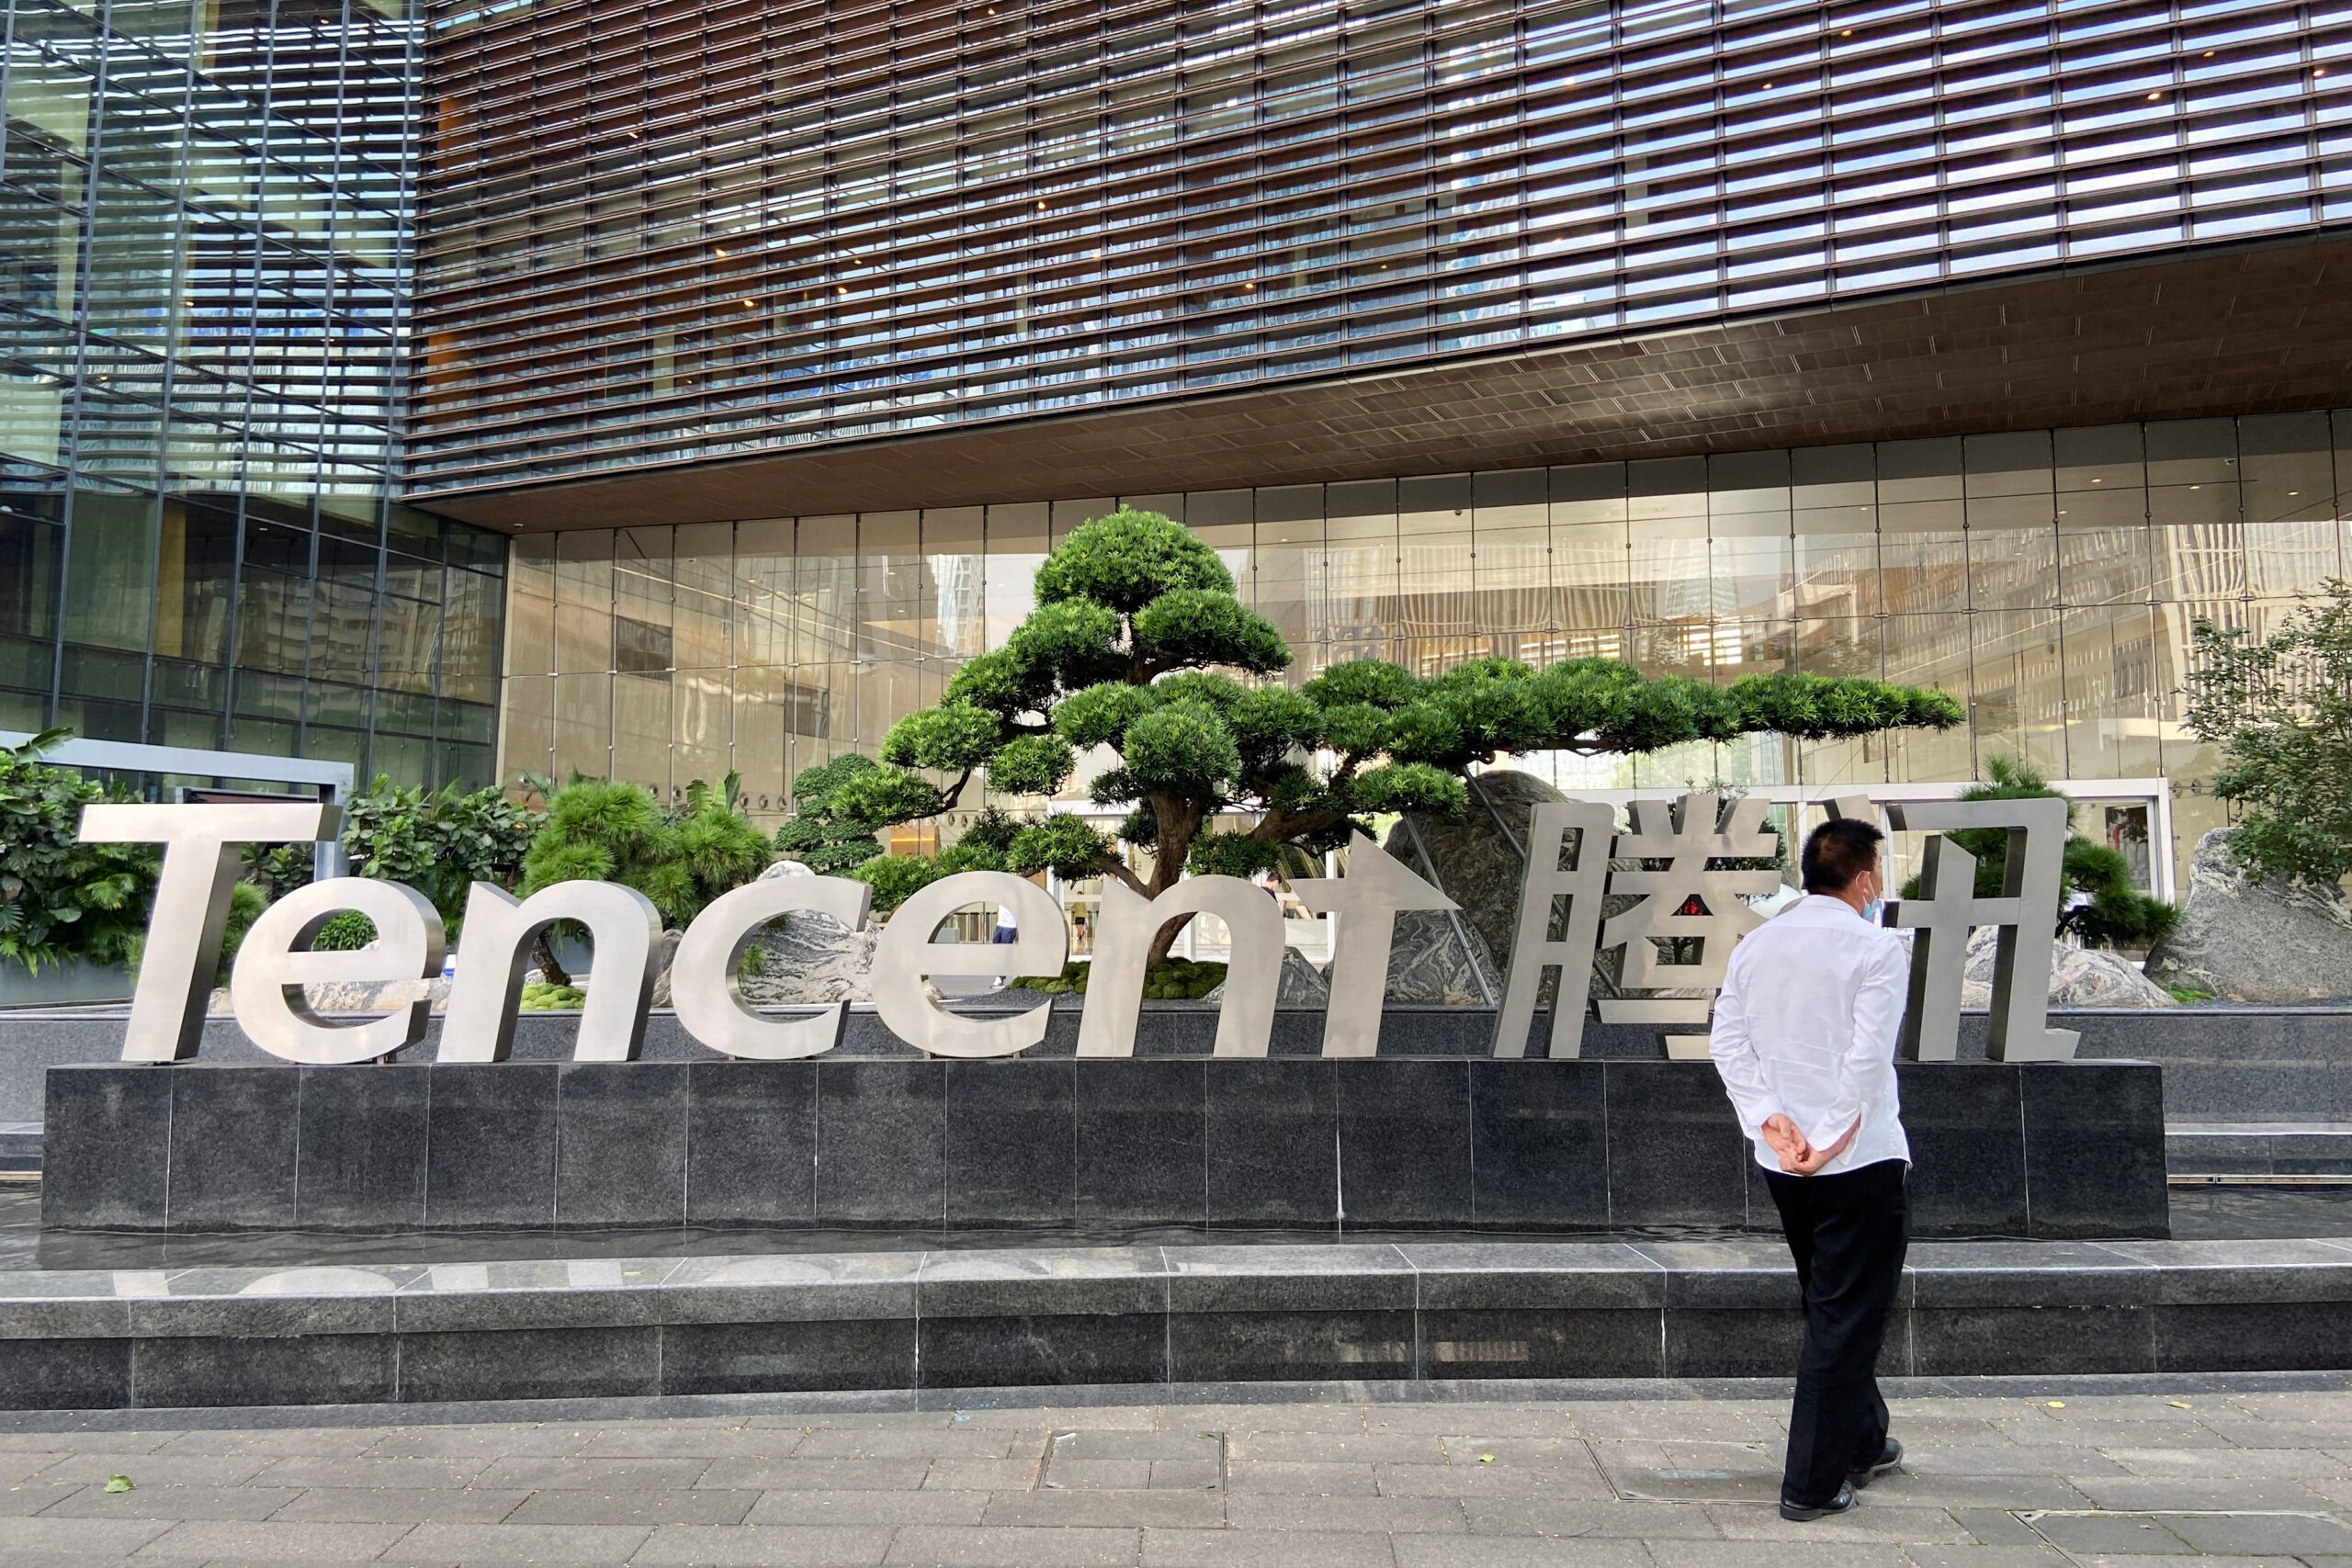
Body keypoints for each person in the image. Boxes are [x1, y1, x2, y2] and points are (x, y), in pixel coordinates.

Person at [1708, 817, 1911, 1521]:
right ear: (1865, 878)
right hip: (1857, 1157)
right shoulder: (1876, 948)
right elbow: (1867, 1058)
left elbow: (1728, 1042)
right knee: (1846, 1313)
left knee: (1832, 1302)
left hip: (1784, 1160)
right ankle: (1813, 1483)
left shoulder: (1757, 945)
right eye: (1877, 871)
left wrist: (1770, 1119)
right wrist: (1828, 1139)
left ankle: (1863, 1439)